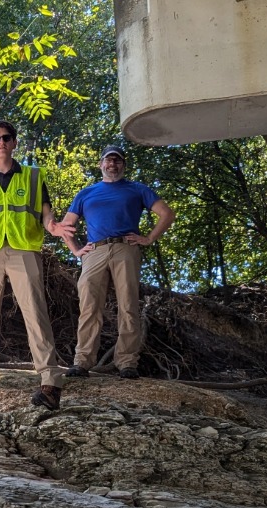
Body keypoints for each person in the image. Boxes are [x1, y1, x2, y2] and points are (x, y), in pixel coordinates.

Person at [0, 120, 67, 415]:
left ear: (15, 142)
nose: (1, 142)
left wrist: (53, 227)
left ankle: (51, 384)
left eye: (7, 137)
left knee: (36, 315)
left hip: (24, 249)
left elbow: (46, 213)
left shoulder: (33, 176)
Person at [57, 145, 176, 379]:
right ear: (101, 164)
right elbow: (66, 225)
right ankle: (82, 361)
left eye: (117, 161)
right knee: (89, 306)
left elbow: (167, 213)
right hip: (95, 251)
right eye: (108, 160)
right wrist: (76, 250)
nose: (112, 164)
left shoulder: (137, 189)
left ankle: (127, 363)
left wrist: (149, 238)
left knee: (128, 305)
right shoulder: (86, 193)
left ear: (124, 165)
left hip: (126, 248)